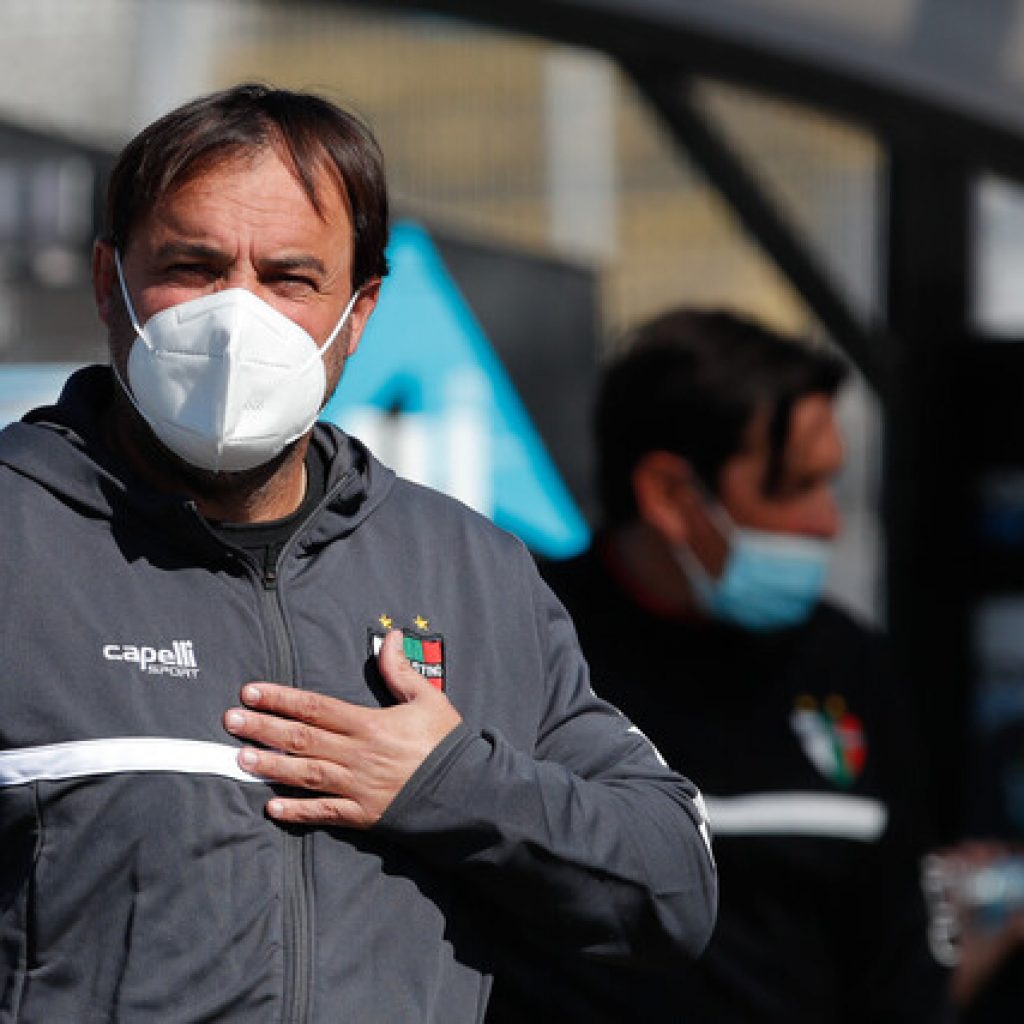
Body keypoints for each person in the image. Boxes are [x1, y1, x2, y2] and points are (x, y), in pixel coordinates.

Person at [0, 85, 716, 1022]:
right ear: (109, 282)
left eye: (290, 278)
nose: (236, 318)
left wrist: (449, 783)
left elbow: (671, 885)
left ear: (361, 312)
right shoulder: (18, 543)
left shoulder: (471, 571)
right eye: (193, 266)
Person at [540, 309, 952, 1021]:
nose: (827, 521)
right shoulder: (526, 640)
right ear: (670, 495)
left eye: (829, 484)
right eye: (794, 487)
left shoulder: (850, 667)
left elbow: (902, 955)